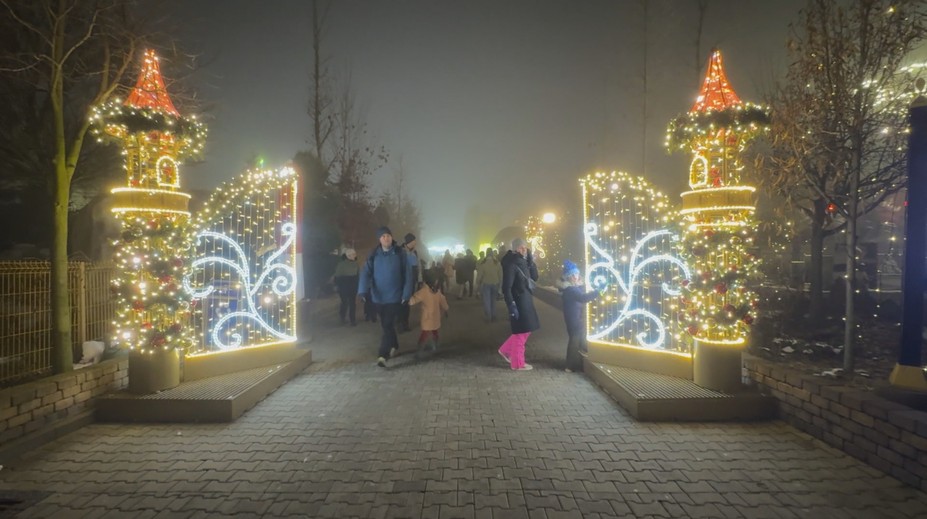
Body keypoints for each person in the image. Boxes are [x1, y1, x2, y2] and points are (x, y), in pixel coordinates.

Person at [358, 226, 414, 368]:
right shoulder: (373, 255)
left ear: (392, 237)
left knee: (388, 324)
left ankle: (383, 354)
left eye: (388, 235)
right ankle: (394, 344)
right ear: (379, 239)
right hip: (378, 298)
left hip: (395, 297)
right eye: (383, 236)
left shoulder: (400, 254)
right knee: (386, 325)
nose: (386, 238)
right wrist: (363, 290)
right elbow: (365, 273)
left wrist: (406, 294)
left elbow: (408, 275)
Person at [498, 238, 540, 371]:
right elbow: (507, 287)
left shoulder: (523, 261)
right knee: (521, 332)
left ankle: (506, 350)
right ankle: (517, 363)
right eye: (521, 247)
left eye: (525, 248)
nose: (524, 250)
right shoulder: (511, 263)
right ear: (515, 248)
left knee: (525, 330)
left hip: (526, 299)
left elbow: (534, 277)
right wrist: (511, 304)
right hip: (519, 301)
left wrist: (531, 262)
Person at [559, 260, 601, 372]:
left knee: (579, 338)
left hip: (574, 317)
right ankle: (570, 365)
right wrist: (598, 292)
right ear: (569, 277)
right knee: (575, 340)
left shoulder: (571, 288)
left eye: (577, 274)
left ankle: (583, 357)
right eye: (574, 275)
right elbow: (583, 298)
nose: (576, 277)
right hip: (574, 318)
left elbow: (581, 291)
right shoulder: (570, 290)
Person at [408, 271, 449, 360]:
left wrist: (408, 301)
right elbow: (443, 300)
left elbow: (414, 299)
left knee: (424, 334)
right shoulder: (437, 291)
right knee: (434, 331)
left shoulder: (423, 291)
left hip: (427, 318)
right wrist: (446, 309)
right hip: (435, 316)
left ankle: (419, 351)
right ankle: (435, 345)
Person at [398, 233, 420, 332]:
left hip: (411, 282)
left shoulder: (414, 252)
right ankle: (399, 324)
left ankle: (405, 324)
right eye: (414, 240)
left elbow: (416, 268)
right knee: (401, 304)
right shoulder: (400, 252)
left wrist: (418, 280)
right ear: (409, 242)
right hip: (402, 282)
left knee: (407, 304)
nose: (415, 242)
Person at [333, 248, 359, 326]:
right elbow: (337, 276)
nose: (355, 255)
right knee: (349, 303)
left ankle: (345, 318)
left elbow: (337, 276)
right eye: (353, 254)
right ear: (349, 255)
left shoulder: (345, 264)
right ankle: (350, 319)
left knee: (347, 302)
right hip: (347, 285)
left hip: (346, 285)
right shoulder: (345, 264)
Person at [476, 247, 502, 322]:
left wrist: (478, 283)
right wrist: (500, 286)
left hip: (486, 284)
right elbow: (500, 275)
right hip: (495, 283)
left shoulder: (483, 263)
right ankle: (493, 315)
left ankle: (488, 316)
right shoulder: (497, 263)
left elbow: (479, 276)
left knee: (487, 300)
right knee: (493, 300)